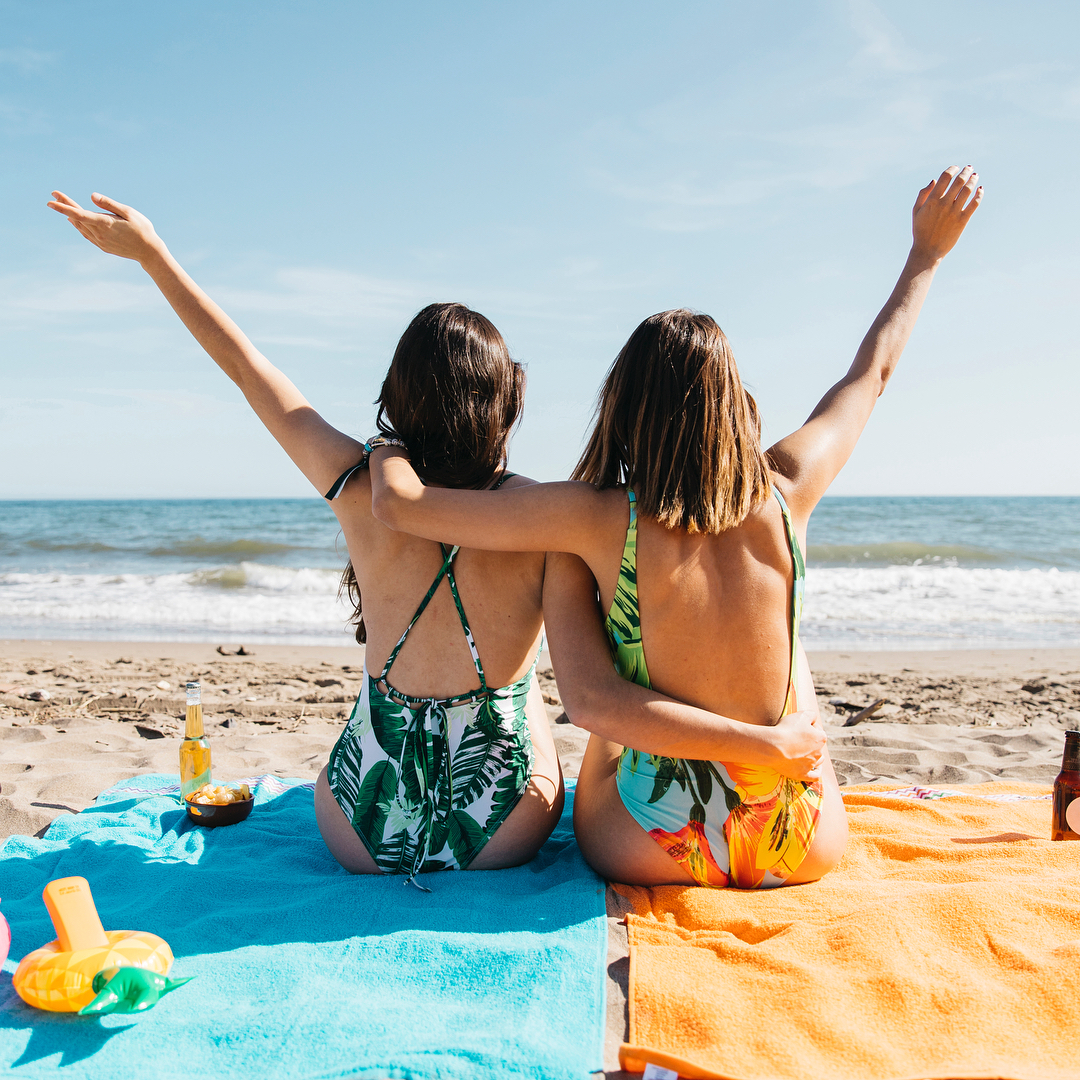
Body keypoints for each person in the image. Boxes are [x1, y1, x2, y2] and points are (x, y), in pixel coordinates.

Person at [45, 190, 824, 884]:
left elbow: (249, 371)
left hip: (359, 830)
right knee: (546, 719)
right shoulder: (547, 523)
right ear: (508, 402)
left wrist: (154, 255)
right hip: (503, 832)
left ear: (394, 396)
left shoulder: (358, 487)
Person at [365, 165, 983, 889]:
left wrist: (387, 444)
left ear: (622, 404)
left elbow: (403, 507)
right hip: (797, 839)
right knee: (791, 652)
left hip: (658, 844)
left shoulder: (595, 517)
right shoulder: (789, 488)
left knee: (602, 705)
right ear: (732, 402)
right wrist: (925, 256)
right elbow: (871, 373)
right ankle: (772, 754)